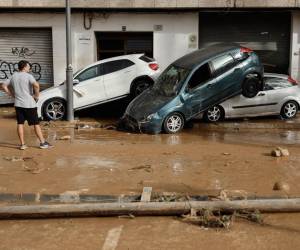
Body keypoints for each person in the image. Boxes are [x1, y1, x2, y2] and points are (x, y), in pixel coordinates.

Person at [1, 60, 52, 150]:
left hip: (18, 104)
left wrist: (11, 94)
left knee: (20, 123)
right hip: (29, 104)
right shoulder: (28, 76)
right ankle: (42, 143)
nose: (30, 68)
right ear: (24, 67)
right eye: (29, 66)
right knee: (36, 124)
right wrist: (36, 96)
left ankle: (23, 144)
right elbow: (36, 85)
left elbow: (4, 85)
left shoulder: (13, 76)